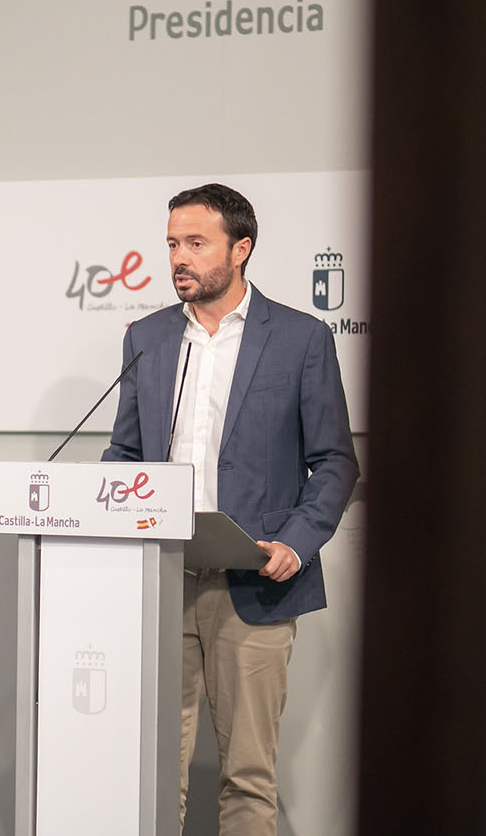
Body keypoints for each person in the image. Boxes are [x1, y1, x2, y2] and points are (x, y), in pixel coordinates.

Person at [102, 183, 358, 835]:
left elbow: (334, 462)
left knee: (246, 777)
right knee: (151, 771)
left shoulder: (300, 338)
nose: (177, 258)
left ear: (239, 248)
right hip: (160, 579)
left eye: (194, 243)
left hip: (257, 583)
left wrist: (295, 543)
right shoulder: (147, 337)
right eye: (170, 244)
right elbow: (124, 452)